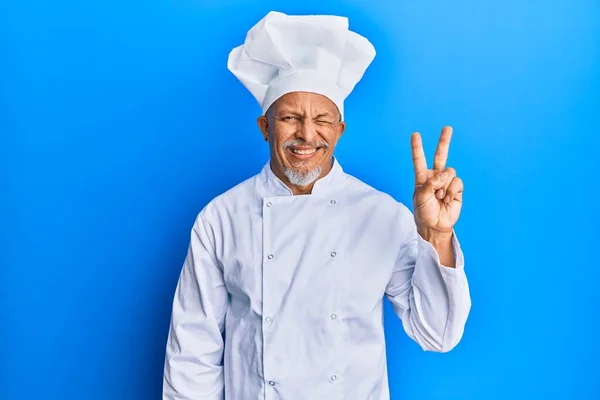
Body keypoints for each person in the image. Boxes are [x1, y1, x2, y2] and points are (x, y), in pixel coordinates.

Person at [162, 11, 471, 400]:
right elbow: (192, 354)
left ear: (339, 130)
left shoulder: (382, 215)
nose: (307, 134)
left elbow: (437, 333)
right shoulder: (220, 219)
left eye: (322, 119)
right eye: (290, 117)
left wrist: (437, 234)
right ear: (265, 127)